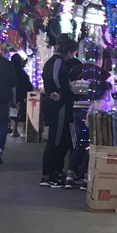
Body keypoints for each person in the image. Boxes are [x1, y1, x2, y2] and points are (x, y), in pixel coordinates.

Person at [40, 37, 78, 187]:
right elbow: (54, 78)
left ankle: (55, 171)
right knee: (55, 139)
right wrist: (60, 91)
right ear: (69, 52)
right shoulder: (57, 62)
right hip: (58, 105)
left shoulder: (54, 61)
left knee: (60, 139)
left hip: (56, 103)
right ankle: (48, 174)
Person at [64, 56, 93, 189]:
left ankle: (70, 176)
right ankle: (86, 177)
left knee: (79, 144)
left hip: (77, 110)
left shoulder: (75, 71)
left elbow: (68, 89)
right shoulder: (101, 73)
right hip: (92, 111)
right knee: (90, 145)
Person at [10, 53, 34, 138]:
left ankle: (14, 130)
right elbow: (28, 85)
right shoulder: (23, 74)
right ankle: (24, 131)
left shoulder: (10, 72)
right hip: (23, 95)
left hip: (13, 95)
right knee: (23, 112)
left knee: (13, 113)